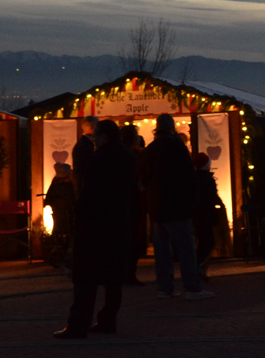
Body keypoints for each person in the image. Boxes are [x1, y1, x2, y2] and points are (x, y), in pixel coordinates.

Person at [56, 119, 137, 339]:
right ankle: (108, 320)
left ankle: (79, 323)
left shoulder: (98, 159)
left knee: (86, 278)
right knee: (113, 279)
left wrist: (80, 218)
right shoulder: (128, 157)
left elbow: (89, 194)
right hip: (119, 223)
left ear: (103, 136)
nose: (94, 141)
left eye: (96, 137)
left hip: (95, 226)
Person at [139, 114, 212, 300]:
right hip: (177, 205)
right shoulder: (177, 147)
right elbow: (188, 176)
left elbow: (144, 177)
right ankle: (192, 287)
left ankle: (164, 288)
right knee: (185, 248)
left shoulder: (150, 149)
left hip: (156, 205)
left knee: (162, 250)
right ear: (171, 127)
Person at [119, 124, 147, 284]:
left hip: (121, 200)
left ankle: (123, 272)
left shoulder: (115, 155)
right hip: (135, 198)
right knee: (135, 234)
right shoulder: (136, 155)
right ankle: (130, 273)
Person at [192, 151, 223, 278]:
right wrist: (219, 204)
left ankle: (198, 266)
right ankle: (199, 265)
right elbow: (211, 196)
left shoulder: (194, 178)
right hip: (206, 214)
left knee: (202, 240)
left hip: (198, 214)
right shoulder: (207, 179)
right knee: (208, 241)